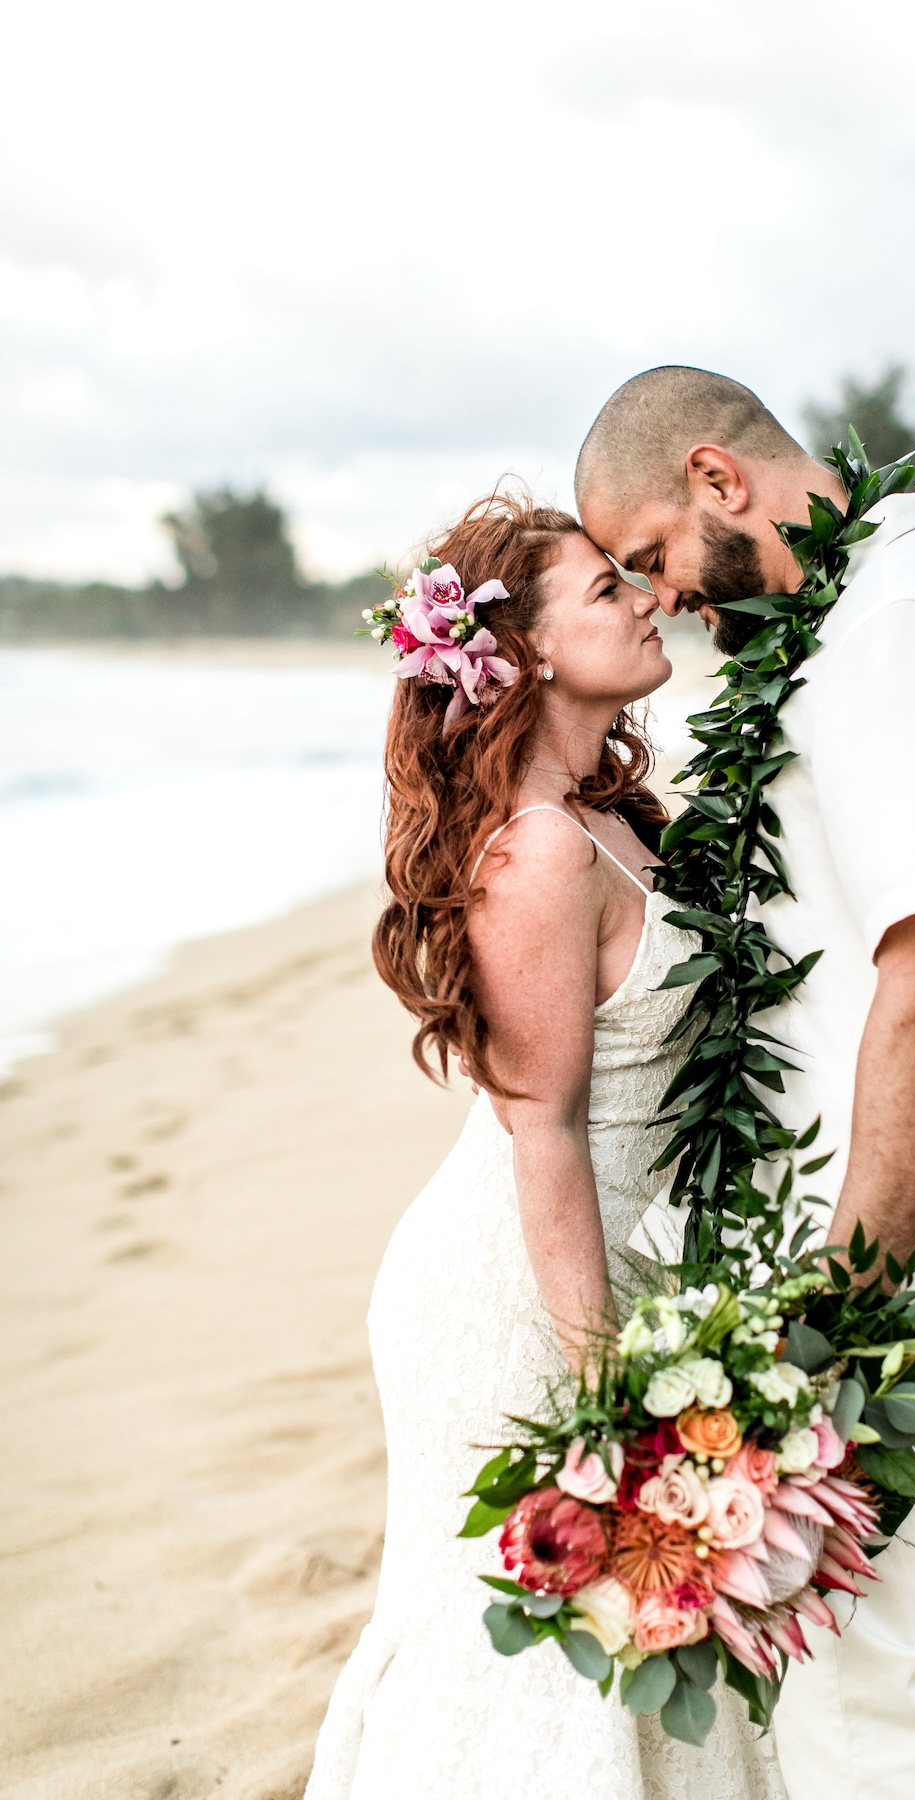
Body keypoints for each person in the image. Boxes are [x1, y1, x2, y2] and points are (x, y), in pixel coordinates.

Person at [577, 366, 915, 1800]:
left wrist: (837, 1319)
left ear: (720, 482)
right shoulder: (834, 634)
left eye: (650, 559)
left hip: (879, 1273)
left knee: (868, 1672)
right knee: (855, 1649)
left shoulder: (909, 625)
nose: (658, 598)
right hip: (825, 1259)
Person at [304, 492, 785, 1800]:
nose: (645, 598)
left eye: (638, 577)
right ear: (523, 656)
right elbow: (544, 1133)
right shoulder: (536, 854)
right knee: (523, 1646)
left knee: (619, 1634)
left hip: (607, 1265)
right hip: (521, 1293)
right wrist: (606, 1396)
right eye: (606, 589)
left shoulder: (616, 815)